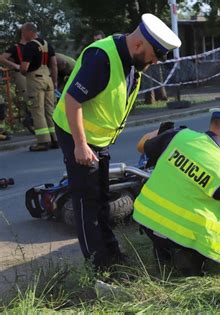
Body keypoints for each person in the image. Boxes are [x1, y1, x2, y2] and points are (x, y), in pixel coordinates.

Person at [52, 13, 181, 270]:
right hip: (77, 136)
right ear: (138, 45)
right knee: (87, 200)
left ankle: (110, 250)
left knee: (101, 195)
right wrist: (80, 144)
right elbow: (72, 100)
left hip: (98, 139)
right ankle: (99, 264)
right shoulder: (102, 58)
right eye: (154, 56)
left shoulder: (132, 61)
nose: (154, 62)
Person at [133, 108, 220, 276]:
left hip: (148, 219)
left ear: (212, 125)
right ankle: (190, 260)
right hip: (182, 234)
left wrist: (161, 131)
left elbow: (141, 146)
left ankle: (165, 256)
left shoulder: (178, 137)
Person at [20, 22, 58, 151]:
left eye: (23, 32)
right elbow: (54, 65)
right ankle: (55, 139)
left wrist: (20, 70)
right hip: (48, 79)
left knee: (37, 111)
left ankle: (43, 142)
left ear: (30, 32)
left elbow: (24, 68)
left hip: (35, 80)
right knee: (50, 110)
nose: (22, 34)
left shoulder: (30, 46)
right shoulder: (47, 44)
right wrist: (55, 81)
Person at [0, 28, 33, 134]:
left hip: (33, 75)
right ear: (24, 34)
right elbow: (2, 58)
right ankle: (30, 121)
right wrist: (15, 66)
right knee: (27, 99)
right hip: (21, 75)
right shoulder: (15, 47)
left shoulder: (32, 46)